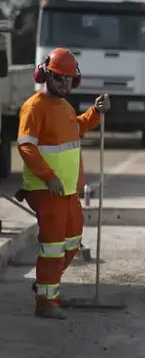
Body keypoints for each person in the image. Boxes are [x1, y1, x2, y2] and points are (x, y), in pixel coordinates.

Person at [17, 47, 110, 320]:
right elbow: (26, 147)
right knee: (54, 245)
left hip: (67, 190)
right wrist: (49, 177)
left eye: (69, 79)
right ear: (45, 75)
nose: (64, 84)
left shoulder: (65, 106)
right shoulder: (34, 107)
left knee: (72, 241)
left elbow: (76, 129)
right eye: (59, 78)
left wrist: (95, 111)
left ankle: (47, 285)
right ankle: (46, 303)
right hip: (47, 190)